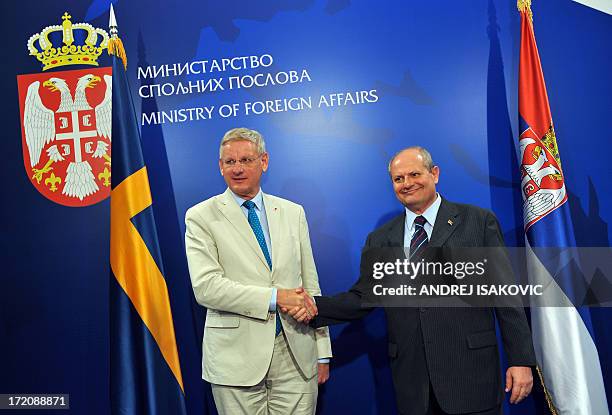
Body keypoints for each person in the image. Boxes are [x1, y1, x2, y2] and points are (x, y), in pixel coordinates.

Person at [287, 147, 536, 415]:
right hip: (412, 383)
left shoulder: (477, 222)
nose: (407, 184)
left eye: (414, 174)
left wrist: (520, 359)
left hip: (470, 376)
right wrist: (312, 305)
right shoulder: (380, 239)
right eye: (398, 178)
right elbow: (362, 298)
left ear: (435, 174)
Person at [185, 127, 331, 415]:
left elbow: (310, 284)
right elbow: (207, 288)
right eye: (230, 162)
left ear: (263, 161)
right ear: (220, 166)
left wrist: (322, 349)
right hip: (235, 359)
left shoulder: (293, 212)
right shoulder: (200, 216)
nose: (237, 169)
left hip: (296, 354)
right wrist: (277, 297)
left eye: (246, 160)